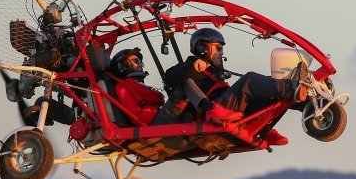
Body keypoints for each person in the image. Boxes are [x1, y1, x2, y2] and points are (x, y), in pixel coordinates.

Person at [161, 28, 311, 146]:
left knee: (269, 89)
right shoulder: (190, 67)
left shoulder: (214, 71)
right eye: (218, 48)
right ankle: (293, 88)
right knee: (250, 80)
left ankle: (309, 104)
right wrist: (192, 67)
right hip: (214, 110)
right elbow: (168, 79)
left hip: (229, 107)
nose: (221, 52)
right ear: (203, 48)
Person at [108, 48, 165, 125]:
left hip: (158, 118)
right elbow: (140, 118)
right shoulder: (122, 88)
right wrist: (158, 108)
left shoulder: (136, 85)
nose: (141, 65)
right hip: (155, 123)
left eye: (141, 62)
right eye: (136, 61)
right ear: (122, 66)